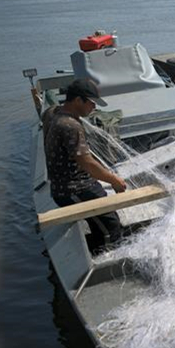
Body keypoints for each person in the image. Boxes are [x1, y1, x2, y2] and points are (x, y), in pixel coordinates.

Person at [42, 79, 126, 253]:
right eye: (91, 103)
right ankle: (109, 256)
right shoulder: (70, 125)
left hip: (72, 184)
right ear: (78, 100)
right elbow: (86, 162)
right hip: (73, 189)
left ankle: (97, 243)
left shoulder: (53, 112)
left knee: (102, 219)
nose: (94, 108)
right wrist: (114, 180)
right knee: (110, 225)